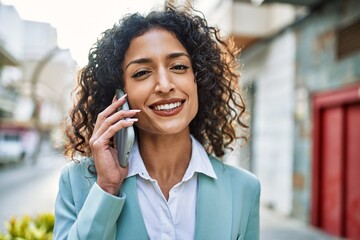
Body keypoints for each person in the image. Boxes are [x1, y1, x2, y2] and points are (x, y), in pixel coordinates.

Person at [53, 3, 260, 240]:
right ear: (120, 94)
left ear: (198, 79)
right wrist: (107, 188)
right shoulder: (79, 182)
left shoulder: (244, 189)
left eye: (179, 67)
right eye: (141, 72)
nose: (164, 85)